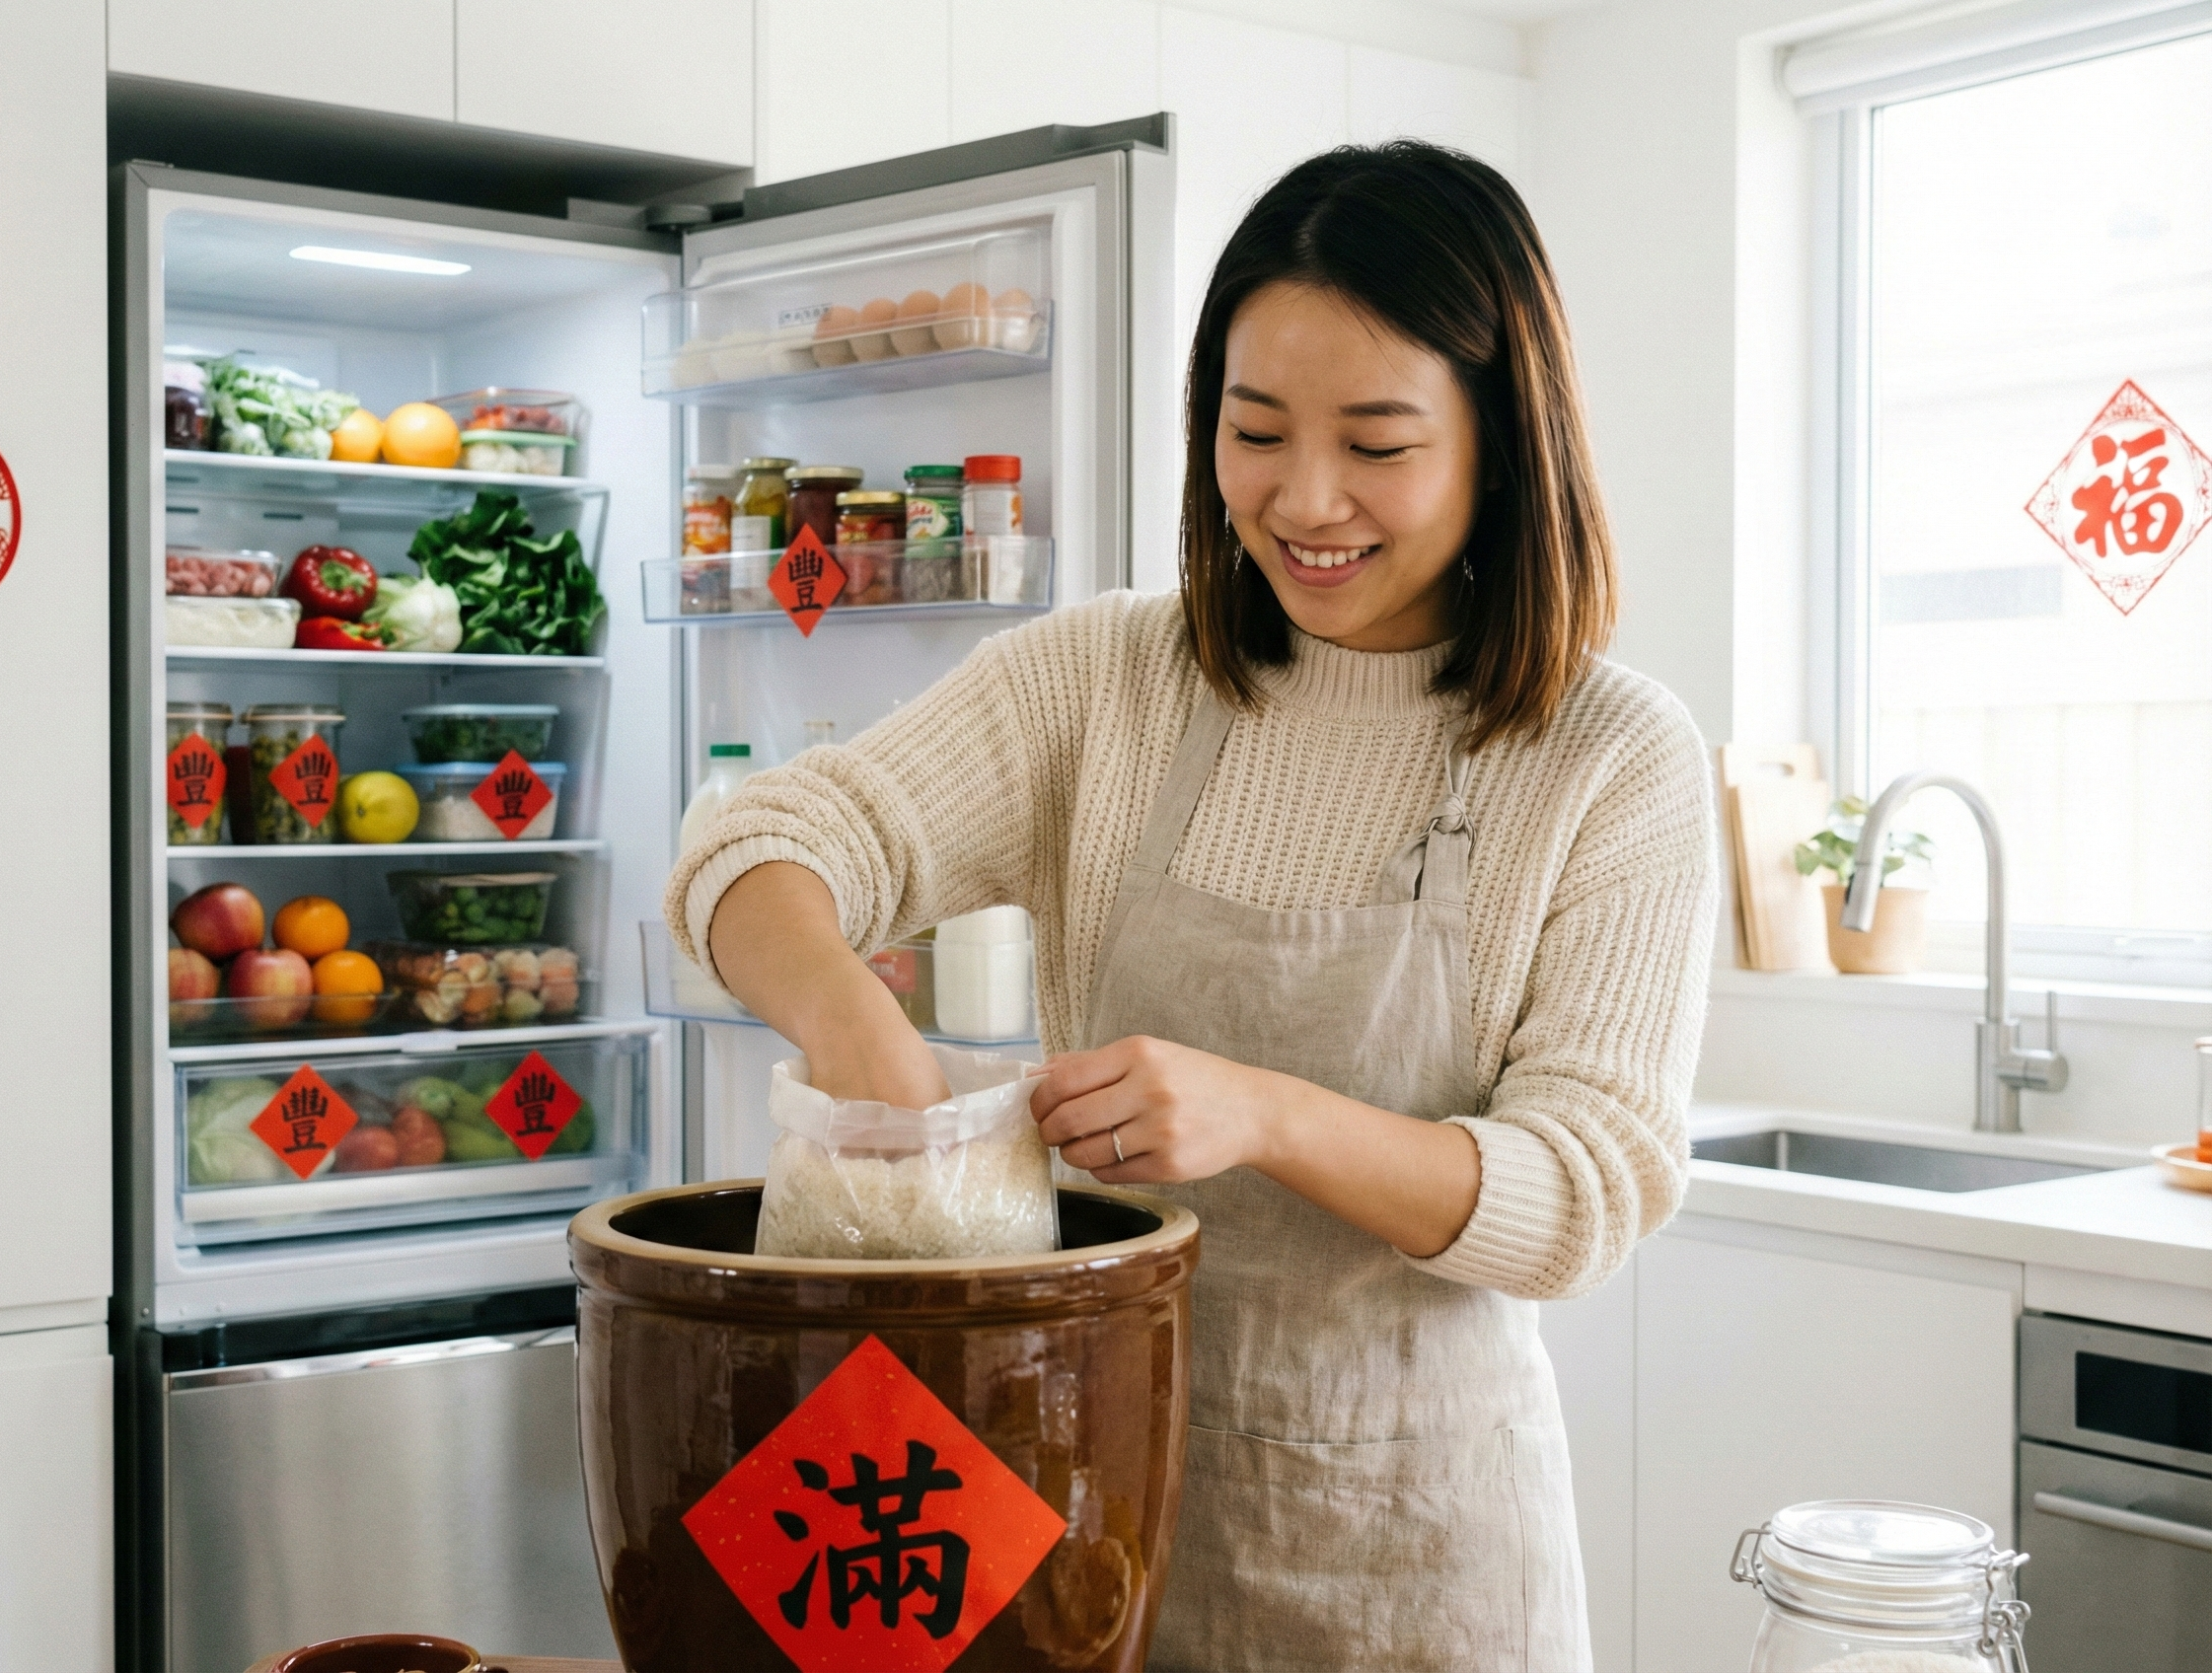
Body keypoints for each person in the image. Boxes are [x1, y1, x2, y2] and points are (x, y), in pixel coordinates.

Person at [665, 140, 1716, 1671]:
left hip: (1415, 1556)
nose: (1304, 501)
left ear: (1504, 440)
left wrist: (1266, 1116)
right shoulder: (1106, 677)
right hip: (1080, 1523)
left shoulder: (1611, 755)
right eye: (1255, 430)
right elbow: (755, 841)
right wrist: (851, 1027)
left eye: (1377, 443)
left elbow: (1584, 1194)